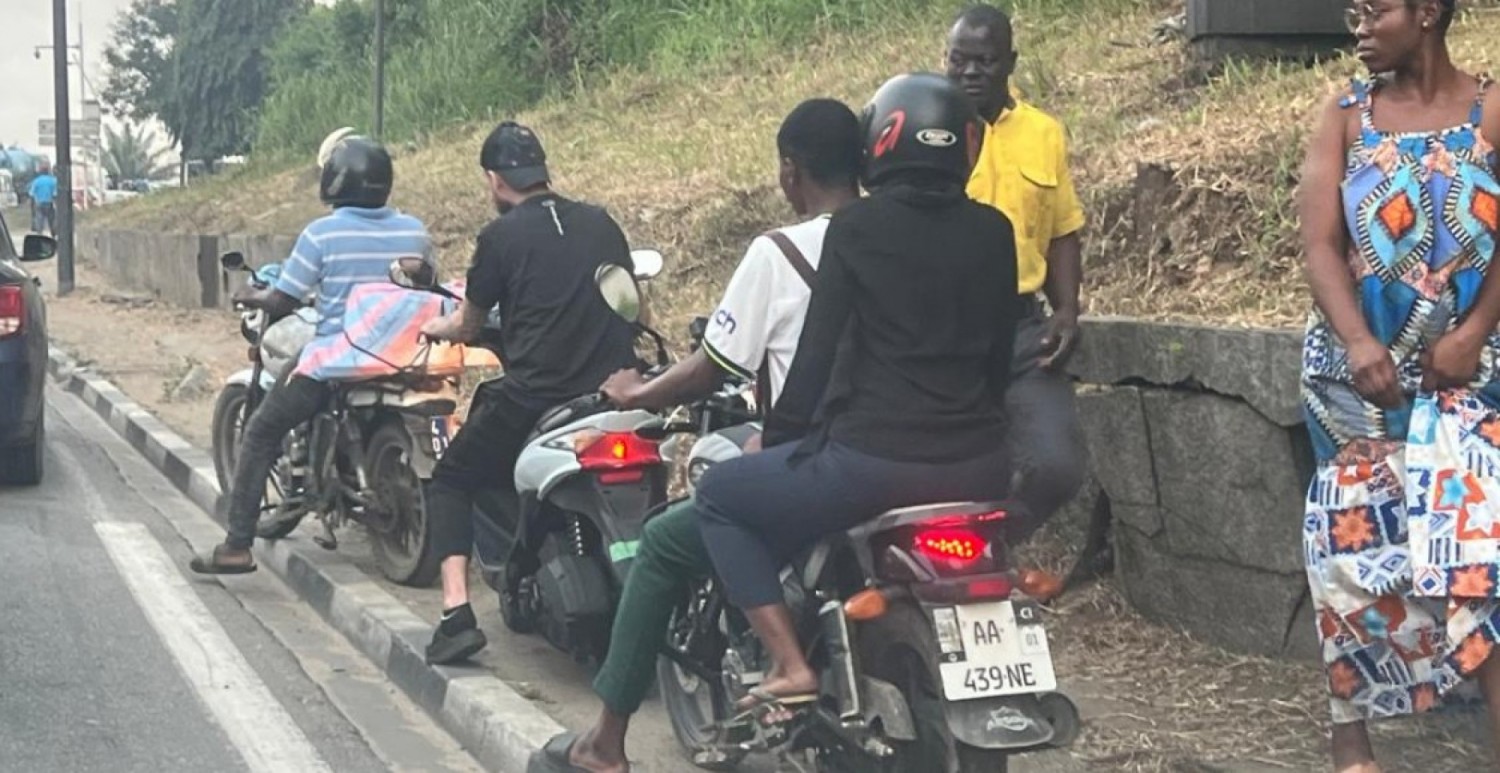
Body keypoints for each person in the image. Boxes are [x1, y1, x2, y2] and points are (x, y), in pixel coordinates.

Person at [529, 98, 864, 773]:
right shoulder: (899, 237)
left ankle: (606, 743)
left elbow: (713, 365)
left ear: (790, 172)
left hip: (822, 457)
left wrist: (638, 392)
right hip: (915, 452)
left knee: (662, 541)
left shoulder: (779, 254)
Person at [692, 72, 1022, 719]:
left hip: (871, 467)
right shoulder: (995, 230)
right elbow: (997, 360)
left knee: (720, 499)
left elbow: (815, 359)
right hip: (981, 466)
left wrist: (782, 440)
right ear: (966, 145)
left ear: (883, 142)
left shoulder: (857, 228)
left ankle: (790, 664)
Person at [1299, 1, 1500, 770]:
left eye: (1373, 9)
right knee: (1354, 552)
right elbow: (1318, 243)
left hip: (1473, 372)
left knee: (1478, 554)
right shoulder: (1346, 116)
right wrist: (1356, 339)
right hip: (1359, 377)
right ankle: (1352, 741)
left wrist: (1475, 331)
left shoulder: (1491, 105)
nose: (1357, 24)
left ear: (1427, 13)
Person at [419, 121, 641, 666]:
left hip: (536, 400)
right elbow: (633, 308)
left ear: (495, 181)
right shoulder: (601, 223)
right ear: (542, 172)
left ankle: (455, 616)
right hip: (617, 398)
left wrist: (434, 328)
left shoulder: (499, 238)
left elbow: (470, 325)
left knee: (450, 479)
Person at [190, 135, 433, 574]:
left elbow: (285, 299)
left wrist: (254, 295)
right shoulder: (414, 231)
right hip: (406, 358)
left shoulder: (322, 233)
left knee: (261, 432)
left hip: (340, 361)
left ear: (335, 181)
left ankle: (237, 545)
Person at [946, 4, 1086, 540]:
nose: (970, 73)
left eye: (984, 61)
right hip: (944, 329)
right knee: (952, 467)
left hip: (1024, 331)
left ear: (1010, 62)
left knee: (1058, 467)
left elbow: (1061, 230)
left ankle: (989, 547)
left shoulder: (1043, 133)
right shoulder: (928, 129)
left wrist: (1068, 309)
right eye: (959, 60)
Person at [29, 166, 57, 237]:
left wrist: (32, 206)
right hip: (49, 203)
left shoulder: (36, 181)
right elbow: (55, 194)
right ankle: (53, 234)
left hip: (39, 203)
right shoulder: (53, 181)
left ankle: (39, 234)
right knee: (51, 219)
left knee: (40, 220)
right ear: (48, 171)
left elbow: (31, 194)